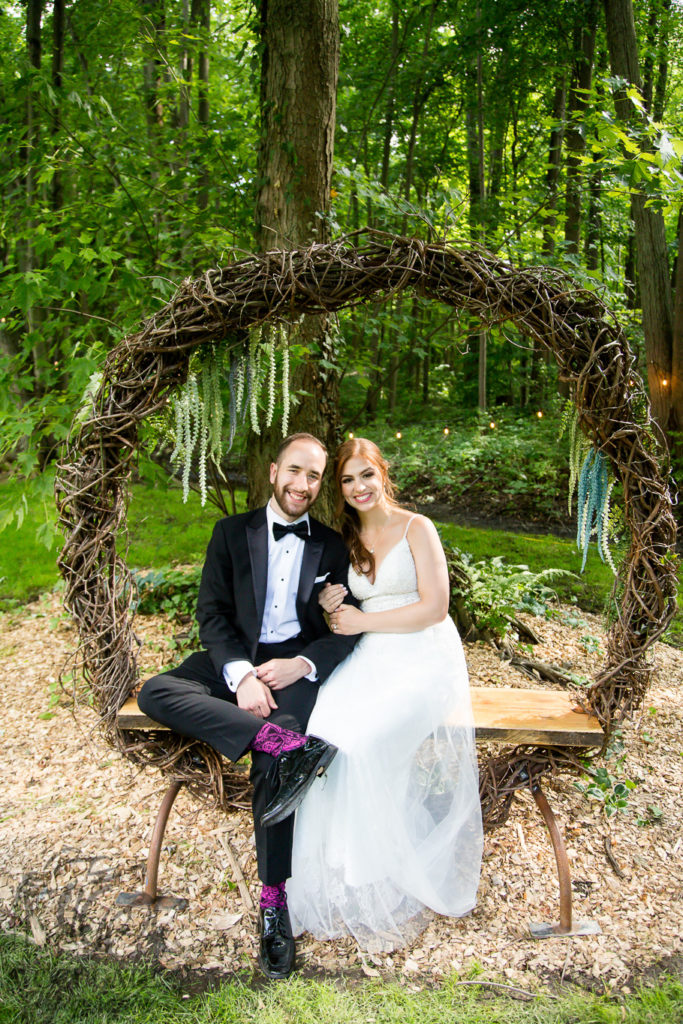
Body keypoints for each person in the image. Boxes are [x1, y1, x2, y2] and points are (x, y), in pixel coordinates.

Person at [137, 433, 360, 979]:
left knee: (273, 768)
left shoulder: (332, 547)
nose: (302, 485)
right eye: (294, 471)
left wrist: (301, 666)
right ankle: (273, 736)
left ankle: (273, 904)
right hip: (234, 663)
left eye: (313, 476)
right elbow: (212, 615)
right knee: (154, 692)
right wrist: (240, 677)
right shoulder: (231, 533)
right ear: (272, 470)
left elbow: (346, 631)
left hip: (294, 671)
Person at [287, 437, 483, 952]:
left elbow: (436, 607)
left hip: (423, 656)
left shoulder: (419, 528)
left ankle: (373, 870)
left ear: (382, 474)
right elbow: (344, 613)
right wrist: (334, 602)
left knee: (367, 740)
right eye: (348, 481)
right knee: (325, 732)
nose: (358, 489)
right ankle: (332, 873)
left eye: (365, 476)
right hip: (372, 656)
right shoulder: (348, 539)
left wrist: (363, 618)